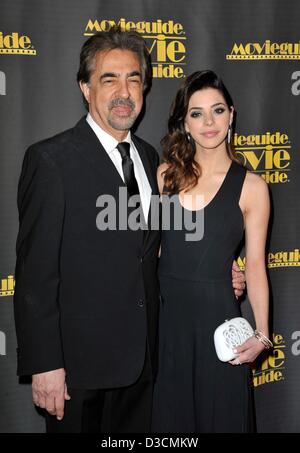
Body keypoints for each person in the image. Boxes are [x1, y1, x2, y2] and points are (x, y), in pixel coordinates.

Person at [13, 27, 245, 433]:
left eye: (133, 78)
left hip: (146, 364)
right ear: (85, 88)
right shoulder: (51, 160)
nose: (124, 91)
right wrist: (45, 364)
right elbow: (35, 272)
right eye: (109, 79)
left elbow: (154, 246)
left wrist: (215, 267)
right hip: (79, 373)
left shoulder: (152, 158)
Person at [152, 70, 271, 433]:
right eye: (197, 113)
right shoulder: (165, 177)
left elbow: (254, 266)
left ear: (231, 115)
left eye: (217, 111)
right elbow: (157, 252)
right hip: (168, 328)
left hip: (218, 328)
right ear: (185, 122)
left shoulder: (252, 188)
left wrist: (263, 333)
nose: (209, 122)